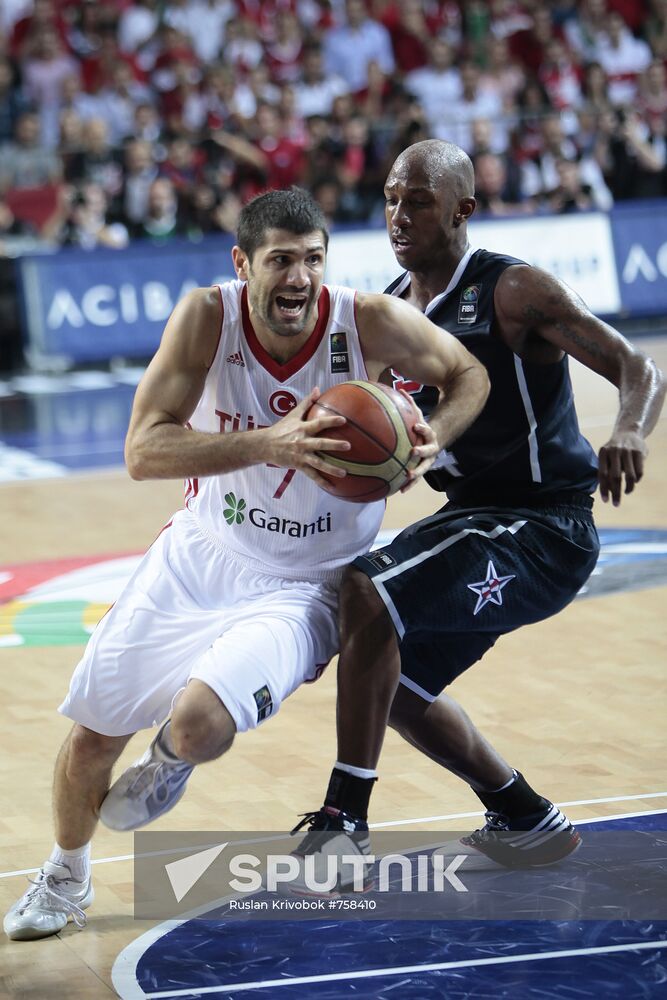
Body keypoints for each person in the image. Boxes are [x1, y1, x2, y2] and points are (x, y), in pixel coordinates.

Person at [4, 187, 489, 940]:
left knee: (199, 726)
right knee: (93, 737)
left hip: (310, 583)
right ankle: (65, 877)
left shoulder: (367, 321)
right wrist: (270, 441)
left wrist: (432, 439)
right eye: (280, 262)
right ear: (243, 264)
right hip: (203, 552)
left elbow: (469, 375)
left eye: (312, 261)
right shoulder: (207, 316)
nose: (298, 278)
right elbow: (141, 451)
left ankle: (170, 762)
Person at [289, 139, 665, 887]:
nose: (398, 215)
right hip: (474, 519)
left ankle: (342, 822)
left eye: (418, 201)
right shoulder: (392, 312)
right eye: (392, 197)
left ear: (462, 209)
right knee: (388, 684)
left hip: (544, 525)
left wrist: (627, 428)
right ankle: (523, 816)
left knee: (369, 590)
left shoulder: (511, 290)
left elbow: (636, 365)